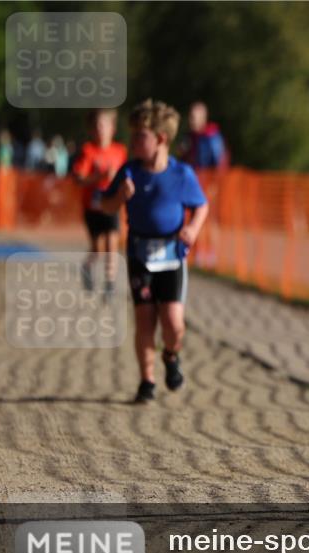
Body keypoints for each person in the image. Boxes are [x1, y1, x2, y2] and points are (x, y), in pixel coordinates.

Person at [101, 99, 209, 404]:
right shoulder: (129, 172)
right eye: (133, 135)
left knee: (174, 324)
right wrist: (120, 197)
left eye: (140, 136)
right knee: (145, 319)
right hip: (139, 256)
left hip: (172, 256)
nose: (133, 142)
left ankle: (171, 356)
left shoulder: (181, 175)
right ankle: (146, 380)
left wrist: (192, 229)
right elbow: (105, 204)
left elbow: (201, 206)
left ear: (161, 139)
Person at [71, 109, 128, 299]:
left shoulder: (120, 151)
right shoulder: (88, 151)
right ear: (91, 129)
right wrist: (99, 177)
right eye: (96, 125)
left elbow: (126, 176)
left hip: (111, 205)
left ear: (112, 128)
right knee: (98, 248)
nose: (100, 129)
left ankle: (109, 284)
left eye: (104, 125)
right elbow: (79, 178)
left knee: (112, 243)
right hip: (92, 207)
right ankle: (87, 266)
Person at [180, 101, 228, 169]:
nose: (190, 120)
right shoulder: (189, 137)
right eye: (189, 116)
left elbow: (220, 165)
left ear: (203, 118)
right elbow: (182, 158)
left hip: (208, 177)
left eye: (193, 117)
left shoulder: (212, 137)